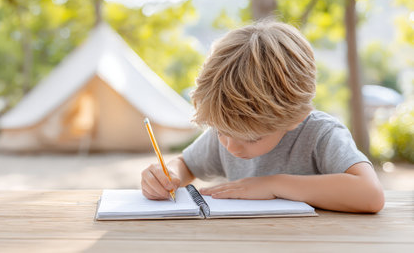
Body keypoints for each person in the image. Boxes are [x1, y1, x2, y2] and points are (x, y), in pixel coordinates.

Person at [141, 20, 384, 213]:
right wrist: (169, 174)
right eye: (222, 132)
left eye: (252, 138)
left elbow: (370, 194)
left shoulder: (321, 134)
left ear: (296, 116)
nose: (231, 147)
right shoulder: (228, 131)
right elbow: (186, 164)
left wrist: (273, 184)